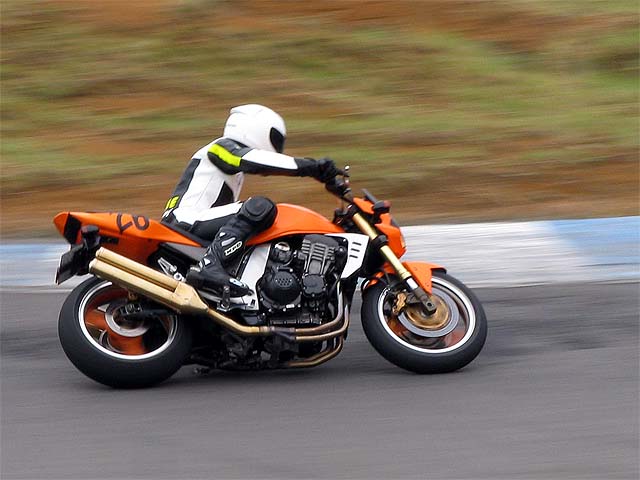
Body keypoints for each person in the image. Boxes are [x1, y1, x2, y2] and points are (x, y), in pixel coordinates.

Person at [162, 104, 340, 297]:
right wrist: (311, 167)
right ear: (255, 126)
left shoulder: (232, 170)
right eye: (275, 138)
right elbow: (255, 161)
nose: (277, 146)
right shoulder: (220, 148)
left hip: (193, 222)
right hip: (185, 221)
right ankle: (211, 265)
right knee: (260, 207)